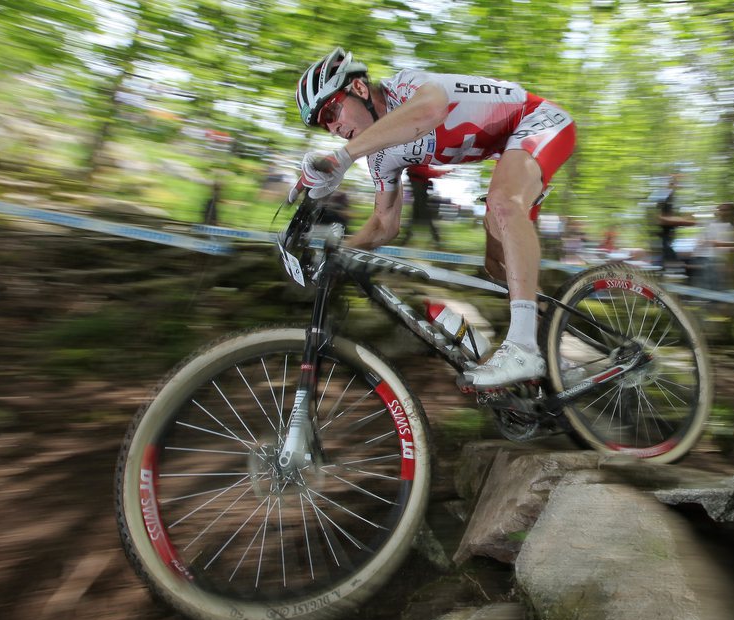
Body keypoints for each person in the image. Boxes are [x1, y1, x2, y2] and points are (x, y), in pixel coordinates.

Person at [291, 47, 577, 390]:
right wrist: (334, 251)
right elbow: (385, 224)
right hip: (511, 151)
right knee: (499, 266)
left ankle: (523, 349)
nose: (334, 127)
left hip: (540, 120)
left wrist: (341, 158)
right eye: (325, 125)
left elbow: (429, 111)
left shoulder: (408, 87)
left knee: (502, 202)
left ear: (360, 89)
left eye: (332, 111)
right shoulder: (380, 156)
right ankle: (560, 366)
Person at [648, 174, 695, 269]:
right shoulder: (662, 195)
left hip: (669, 235)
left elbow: (673, 216)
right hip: (660, 235)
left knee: (668, 259)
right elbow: (658, 217)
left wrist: (684, 220)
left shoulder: (673, 198)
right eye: (673, 182)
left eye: (677, 183)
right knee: (664, 259)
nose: (676, 185)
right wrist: (680, 220)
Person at [691, 202, 734, 290]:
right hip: (705, 257)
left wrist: (730, 262)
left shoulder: (731, 227)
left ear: (731, 212)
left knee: (717, 282)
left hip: (718, 258)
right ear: (718, 211)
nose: (724, 212)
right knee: (710, 280)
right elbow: (706, 242)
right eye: (722, 210)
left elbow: (728, 246)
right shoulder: (711, 225)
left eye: (727, 210)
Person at [400, 164, 445, 247]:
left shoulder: (417, 169)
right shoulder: (416, 169)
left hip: (420, 201)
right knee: (423, 219)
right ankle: (437, 241)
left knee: (414, 219)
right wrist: (443, 172)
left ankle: (405, 240)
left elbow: (427, 174)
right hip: (420, 201)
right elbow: (427, 173)